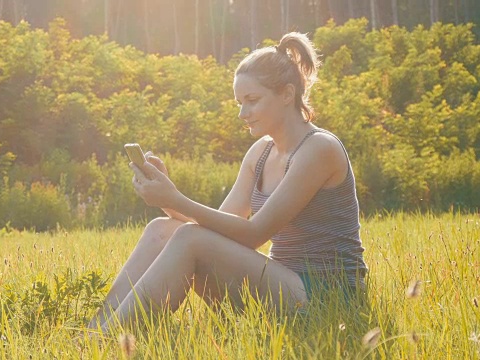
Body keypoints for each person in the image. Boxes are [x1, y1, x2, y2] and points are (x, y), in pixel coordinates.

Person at [87, 32, 368, 331]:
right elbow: (220, 227)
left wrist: (173, 199)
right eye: (239, 102)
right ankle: (92, 332)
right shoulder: (260, 152)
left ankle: (108, 340)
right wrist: (167, 197)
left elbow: (253, 234)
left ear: (287, 94)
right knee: (162, 229)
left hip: (327, 295)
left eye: (252, 100)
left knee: (188, 238)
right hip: (282, 283)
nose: (242, 113)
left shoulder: (319, 149)